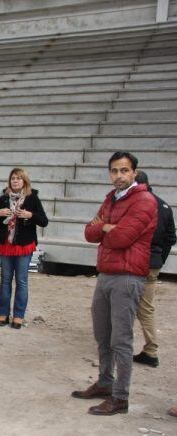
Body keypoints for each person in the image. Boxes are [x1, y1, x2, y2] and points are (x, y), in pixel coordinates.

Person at [71, 151, 157, 416]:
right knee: (102, 334)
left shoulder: (144, 200)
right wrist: (108, 227)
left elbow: (122, 238)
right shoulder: (111, 199)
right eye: (114, 171)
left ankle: (120, 397)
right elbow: (89, 232)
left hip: (128, 276)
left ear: (134, 173)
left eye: (124, 171)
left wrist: (106, 227)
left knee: (121, 339)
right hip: (107, 272)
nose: (118, 176)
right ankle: (105, 382)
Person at [0, 168, 48, 329]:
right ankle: (3, 313)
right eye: (13, 178)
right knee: (5, 280)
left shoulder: (32, 198)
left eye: (18, 178)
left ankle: (18, 315)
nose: (15, 181)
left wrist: (30, 215)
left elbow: (44, 221)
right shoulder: (3, 198)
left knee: (22, 281)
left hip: (24, 245)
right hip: (6, 245)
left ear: (24, 181)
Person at [131, 171, 176, 368]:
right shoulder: (164, 205)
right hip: (153, 263)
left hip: (134, 262)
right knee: (146, 308)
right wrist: (159, 260)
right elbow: (171, 238)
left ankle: (118, 346)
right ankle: (151, 350)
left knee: (122, 304)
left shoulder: (136, 204)